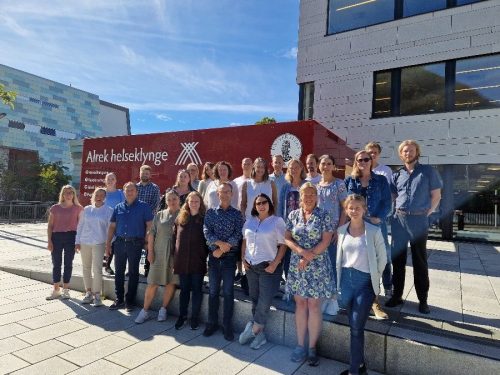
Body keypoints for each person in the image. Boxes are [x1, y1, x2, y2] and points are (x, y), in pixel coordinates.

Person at [386, 140, 442, 314]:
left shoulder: (428, 171)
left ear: (417, 152)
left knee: (420, 261)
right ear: (401, 154)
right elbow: (393, 197)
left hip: (419, 220)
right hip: (399, 220)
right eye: (404, 150)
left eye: (411, 150)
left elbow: (436, 196)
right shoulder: (397, 175)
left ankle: (423, 299)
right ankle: (397, 296)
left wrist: (427, 213)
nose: (408, 153)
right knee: (398, 261)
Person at [285, 183, 335, 366]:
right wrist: (300, 251)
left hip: (317, 265)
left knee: (314, 305)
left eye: (312, 194)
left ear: (317, 196)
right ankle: (300, 345)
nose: (308, 197)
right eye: (305, 194)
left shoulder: (324, 215)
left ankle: (312, 347)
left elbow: (327, 240)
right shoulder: (293, 215)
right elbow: (287, 238)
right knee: (300, 303)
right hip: (297, 265)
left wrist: (309, 256)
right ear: (300, 197)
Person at [337, 194, 387, 375]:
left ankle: (353, 371)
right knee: (353, 326)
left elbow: (382, 259)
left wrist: (375, 277)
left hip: (364, 283)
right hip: (346, 283)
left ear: (364, 209)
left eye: (358, 207)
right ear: (346, 210)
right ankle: (360, 365)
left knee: (356, 327)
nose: (354, 211)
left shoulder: (373, 231)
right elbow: (339, 259)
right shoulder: (342, 230)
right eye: (350, 208)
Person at [345, 150, 391, 320]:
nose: (363, 162)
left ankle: (374, 301)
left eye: (366, 159)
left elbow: (387, 202)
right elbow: (346, 202)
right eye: (360, 159)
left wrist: (378, 217)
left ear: (371, 161)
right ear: (356, 162)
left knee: (375, 262)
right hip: (354, 228)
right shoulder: (350, 180)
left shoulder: (381, 180)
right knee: (355, 262)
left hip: (374, 227)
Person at [239, 194, 286, 350]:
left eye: (264, 202)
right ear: (255, 206)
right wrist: (242, 258)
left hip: (268, 267)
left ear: (269, 204)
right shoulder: (249, 222)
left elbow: (283, 245)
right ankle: (260, 336)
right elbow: (244, 242)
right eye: (258, 203)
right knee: (255, 299)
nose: (261, 205)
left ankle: (252, 329)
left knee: (264, 301)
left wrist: (275, 264)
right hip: (251, 266)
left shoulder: (277, 221)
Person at [203, 182, 244, 341]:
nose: (225, 194)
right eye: (222, 192)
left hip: (229, 259)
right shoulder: (210, 213)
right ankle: (211, 323)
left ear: (231, 194)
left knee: (228, 292)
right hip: (214, 257)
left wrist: (224, 248)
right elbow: (207, 232)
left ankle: (227, 326)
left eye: (228, 192)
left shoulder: (237, 214)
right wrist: (219, 247)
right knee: (213, 292)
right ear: (218, 194)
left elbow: (238, 234)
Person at [106, 182, 153, 311]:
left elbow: (149, 226)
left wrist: (146, 242)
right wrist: (108, 244)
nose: (130, 192)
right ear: (124, 192)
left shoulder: (144, 207)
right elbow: (112, 227)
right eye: (127, 190)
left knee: (133, 273)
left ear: (136, 192)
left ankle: (129, 301)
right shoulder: (118, 207)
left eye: (132, 190)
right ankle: (119, 299)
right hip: (120, 243)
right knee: (119, 272)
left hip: (135, 244)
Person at [135, 190, 180, 323]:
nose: (172, 202)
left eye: (174, 199)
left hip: (175, 255)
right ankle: (145, 311)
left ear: (179, 200)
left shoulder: (183, 215)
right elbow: (151, 234)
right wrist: (150, 251)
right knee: (152, 283)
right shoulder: (160, 215)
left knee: (171, 282)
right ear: (166, 201)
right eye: (169, 199)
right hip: (158, 254)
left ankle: (163, 309)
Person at [316, 154, 348, 315]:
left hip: (333, 232)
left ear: (333, 166)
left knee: (332, 266)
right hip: (317, 233)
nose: (326, 166)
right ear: (319, 166)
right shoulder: (315, 185)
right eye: (323, 163)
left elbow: (345, 208)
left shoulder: (339, 184)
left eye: (329, 163)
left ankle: (332, 301)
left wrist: (339, 229)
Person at [173, 191, 209, 330]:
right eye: (191, 201)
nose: (194, 204)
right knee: (184, 290)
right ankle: (182, 316)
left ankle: (194, 318)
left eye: (196, 201)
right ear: (187, 203)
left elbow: (207, 242)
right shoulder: (181, 219)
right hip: (182, 261)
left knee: (197, 290)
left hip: (197, 261)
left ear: (200, 204)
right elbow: (175, 238)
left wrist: (204, 257)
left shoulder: (204, 219)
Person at [364, 141, 393, 299]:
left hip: (378, 221)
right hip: (362, 222)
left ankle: (388, 284)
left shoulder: (384, 171)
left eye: (374, 152)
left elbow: (387, 199)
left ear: (379, 154)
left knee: (384, 254)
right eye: (369, 152)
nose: (372, 155)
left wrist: (380, 217)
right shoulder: (360, 172)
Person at [75, 187, 113, 307]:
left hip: (99, 243)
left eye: (102, 195)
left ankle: (97, 295)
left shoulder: (109, 210)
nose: (99, 197)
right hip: (85, 242)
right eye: (97, 194)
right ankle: (88, 293)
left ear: (105, 197)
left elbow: (110, 229)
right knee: (86, 268)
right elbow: (80, 226)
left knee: (97, 269)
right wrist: (77, 241)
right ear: (93, 195)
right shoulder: (86, 209)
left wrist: (109, 244)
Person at [46, 185, 83, 300]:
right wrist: (49, 241)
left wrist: (79, 242)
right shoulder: (55, 208)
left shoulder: (78, 208)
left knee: (68, 263)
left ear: (73, 194)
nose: (68, 195)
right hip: (56, 237)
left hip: (71, 237)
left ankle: (66, 290)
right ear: (62, 194)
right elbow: (50, 226)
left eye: (71, 192)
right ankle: (56, 290)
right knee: (56, 263)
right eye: (66, 192)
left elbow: (81, 227)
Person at [279, 159, 306, 280]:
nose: (293, 170)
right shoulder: (286, 187)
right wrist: (281, 225)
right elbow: (280, 206)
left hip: (302, 226)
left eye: (296, 167)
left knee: (300, 255)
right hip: (288, 226)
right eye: (291, 168)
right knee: (288, 257)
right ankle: (288, 286)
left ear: (301, 168)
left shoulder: (306, 185)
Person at [136, 164, 161, 278]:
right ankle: (133, 268)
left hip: (149, 221)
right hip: (136, 221)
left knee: (148, 245)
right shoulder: (135, 187)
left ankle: (147, 269)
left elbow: (155, 204)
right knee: (135, 244)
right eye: (143, 172)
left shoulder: (155, 188)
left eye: (147, 173)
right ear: (139, 173)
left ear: (150, 175)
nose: (145, 175)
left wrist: (144, 215)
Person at [103, 172, 125, 275]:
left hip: (116, 222)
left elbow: (124, 207)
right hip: (103, 222)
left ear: (115, 181)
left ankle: (107, 265)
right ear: (105, 181)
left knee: (112, 243)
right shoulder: (102, 193)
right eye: (108, 179)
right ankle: (101, 264)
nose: (110, 181)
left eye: (112, 179)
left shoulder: (120, 193)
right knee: (102, 243)